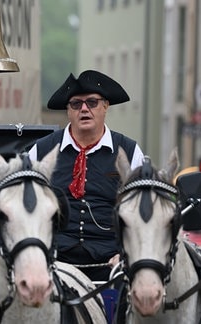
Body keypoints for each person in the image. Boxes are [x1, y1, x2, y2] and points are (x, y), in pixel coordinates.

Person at [28, 70, 144, 281]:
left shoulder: (129, 152)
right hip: (53, 264)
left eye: (92, 102)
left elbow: (143, 213)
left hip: (113, 266)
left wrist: (127, 254)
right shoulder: (41, 151)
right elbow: (25, 207)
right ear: (68, 110)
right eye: (76, 104)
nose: (84, 109)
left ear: (105, 106)